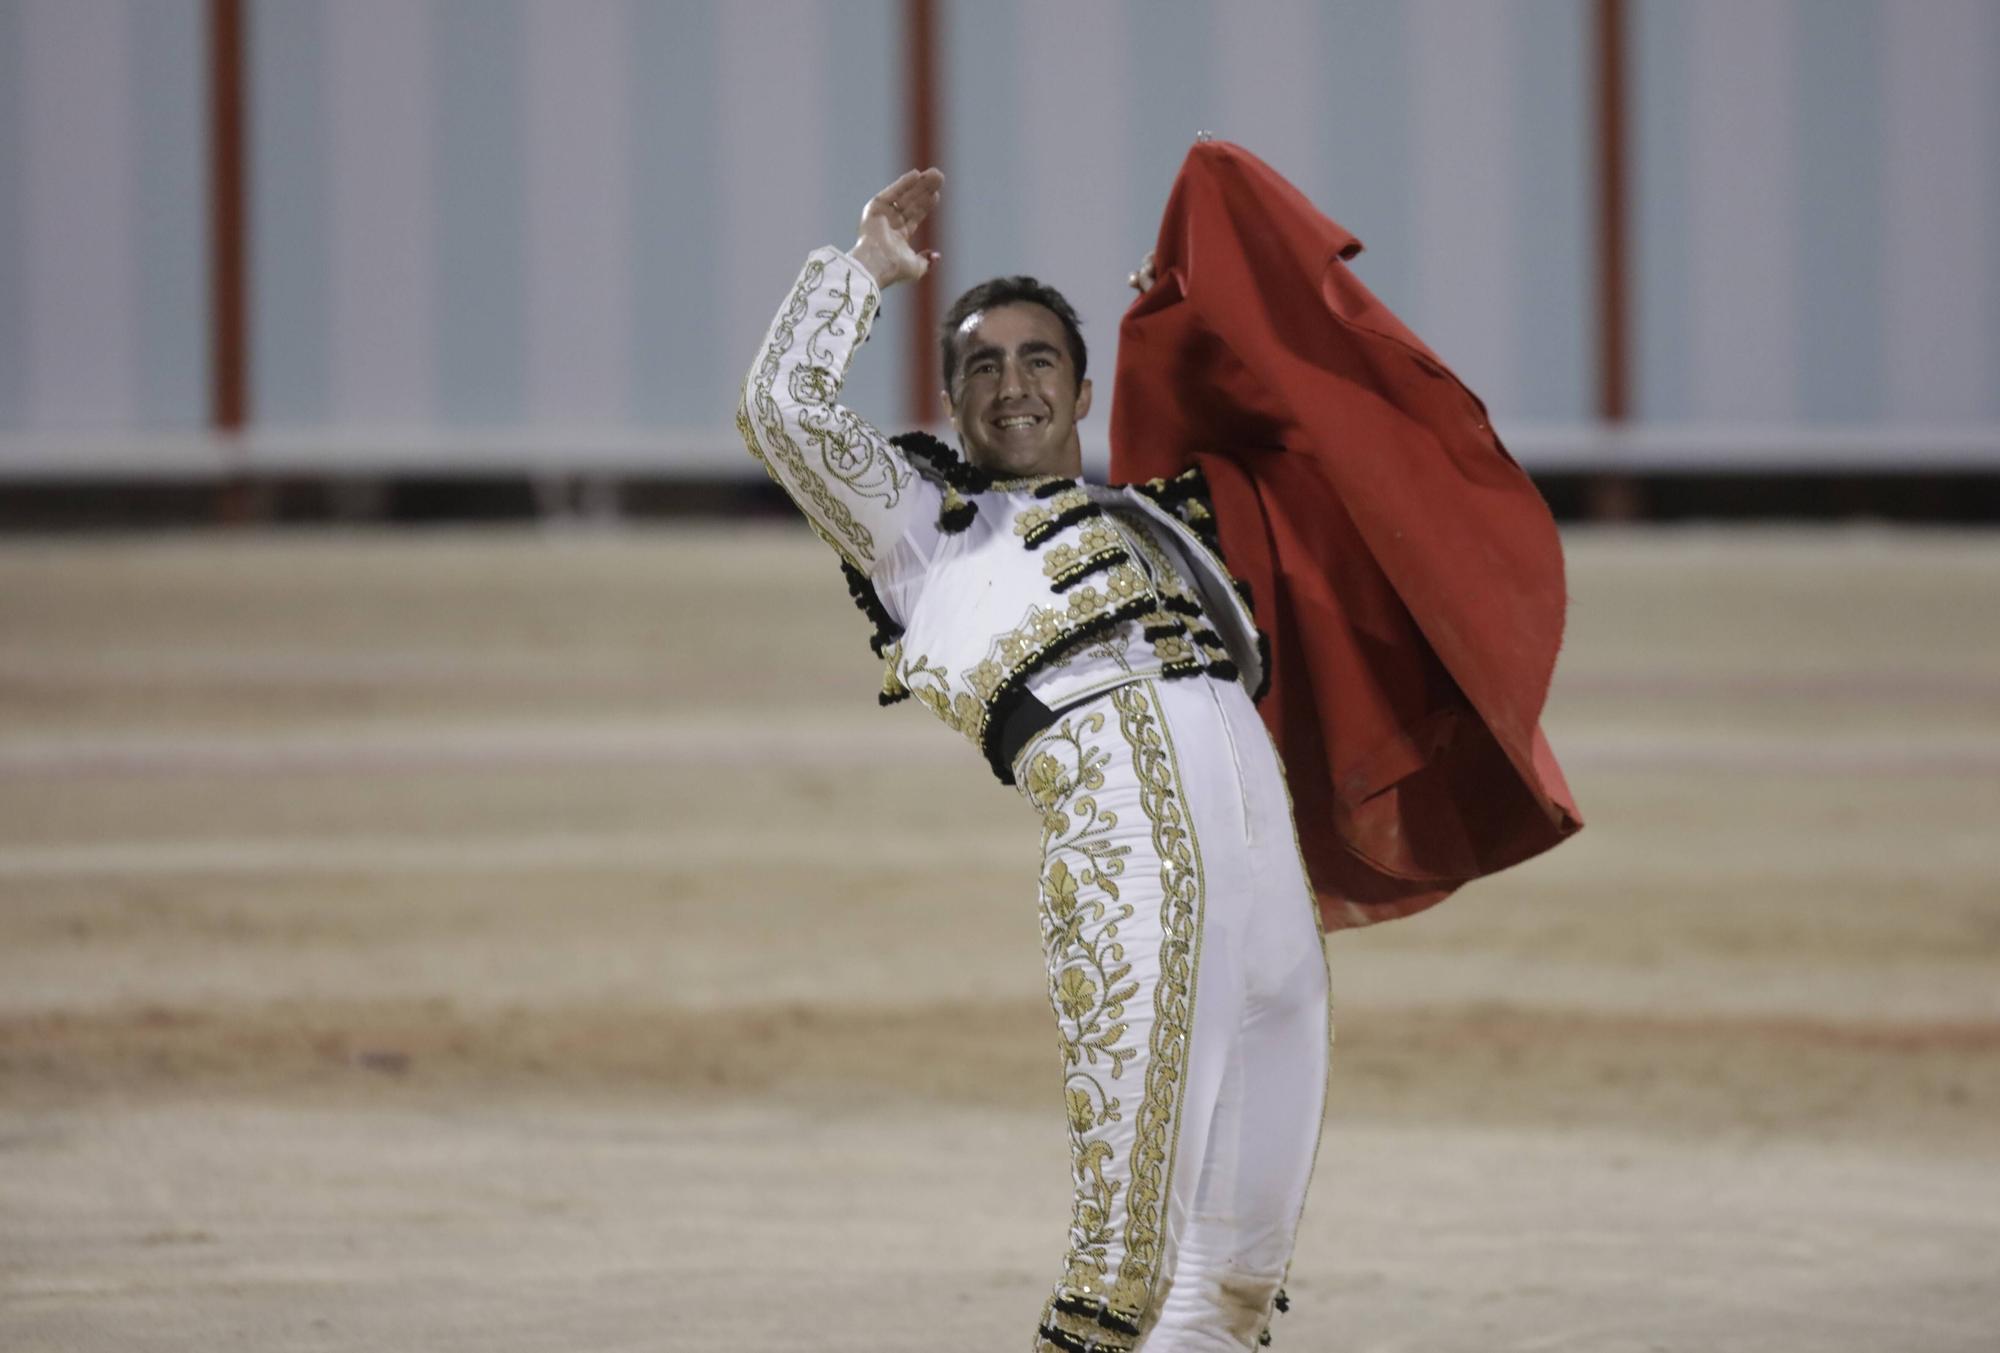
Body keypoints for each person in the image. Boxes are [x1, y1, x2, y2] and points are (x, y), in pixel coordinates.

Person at [737, 167, 1330, 1352]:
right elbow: (781, 413)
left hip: (1270, 871)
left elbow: (1306, 447)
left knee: (1234, 1281)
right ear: (951, 401)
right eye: (980, 366)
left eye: (1037, 359)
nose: (1011, 384)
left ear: (1081, 386)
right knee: (1122, 1267)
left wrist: (1197, 320)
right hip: (1126, 851)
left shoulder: (1161, 517)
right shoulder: (920, 531)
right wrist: (862, 272)